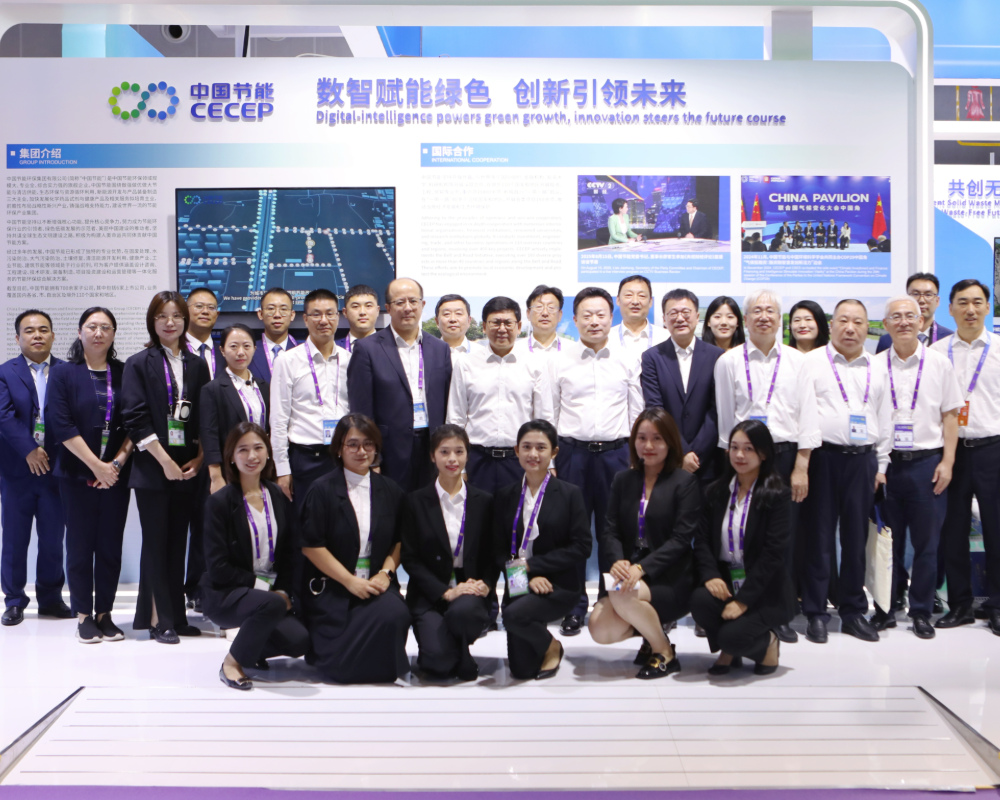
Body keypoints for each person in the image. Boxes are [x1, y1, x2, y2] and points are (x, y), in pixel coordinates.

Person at [714, 288, 812, 644]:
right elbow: (726, 421)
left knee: (781, 539)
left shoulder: (798, 361)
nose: (764, 316)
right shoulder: (728, 362)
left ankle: (778, 611)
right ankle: (746, 602)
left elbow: (808, 416)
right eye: (756, 310)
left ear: (779, 317)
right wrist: (734, 464)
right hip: (743, 459)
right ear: (746, 319)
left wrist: (801, 466)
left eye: (770, 310)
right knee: (746, 535)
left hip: (784, 456)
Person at [798, 299, 891, 645]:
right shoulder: (811, 363)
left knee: (855, 539)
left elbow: (885, 418)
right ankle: (816, 612)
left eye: (858, 322)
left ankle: (853, 611)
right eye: (843, 321)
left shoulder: (878, 367)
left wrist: (881, 465)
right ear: (831, 325)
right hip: (823, 458)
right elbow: (802, 414)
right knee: (819, 539)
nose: (850, 328)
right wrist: (803, 464)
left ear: (868, 328)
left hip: (863, 462)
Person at [552, 287, 643, 635]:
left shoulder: (628, 358)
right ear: (575, 320)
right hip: (571, 454)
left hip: (616, 455)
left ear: (611, 317)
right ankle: (573, 605)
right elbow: (549, 412)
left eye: (601, 314)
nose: (594, 321)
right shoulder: (559, 360)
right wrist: (551, 460)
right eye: (586, 315)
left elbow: (637, 412)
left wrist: (636, 457)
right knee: (572, 533)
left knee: (613, 533)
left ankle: (612, 602)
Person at [870, 297, 961, 639]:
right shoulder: (874, 366)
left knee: (927, 544)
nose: (904, 321)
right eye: (896, 317)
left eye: (911, 316)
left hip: (927, 465)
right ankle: (886, 608)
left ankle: (921, 611)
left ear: (922, 322)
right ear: (886, 325)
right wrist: (876, 465)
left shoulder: (939, 364)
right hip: (887, 466)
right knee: (887, 544)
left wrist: (948, 462)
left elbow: (950, 416)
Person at [588, 409, 702, 678]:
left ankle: (664, 652)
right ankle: (651, 637)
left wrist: (642, 568)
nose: (648, 445)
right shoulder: (623, 480)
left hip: (671, 575)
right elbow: (610, 529)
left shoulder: (684, 482)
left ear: (670, 442)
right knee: (598, 627)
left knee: (622, 593)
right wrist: (618, 560)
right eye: (642, 438)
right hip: (629, 571)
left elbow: (680, 540)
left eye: (657, 438)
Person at [123, 291, 209, 643]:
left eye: (176, 316)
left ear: (185, 321)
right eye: (162, 316)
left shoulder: (197, 365)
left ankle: (176, 614)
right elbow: (134, 417)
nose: (169, 322)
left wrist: (200, 457)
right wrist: (164, 461)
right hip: (153, 467)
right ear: (152, 321)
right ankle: (159, 619)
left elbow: (203, 415)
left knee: (178, 542)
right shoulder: (138, 363)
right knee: (156, 543)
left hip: (187, 468)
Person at [300, 414, 412, 683]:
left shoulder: (391, 490)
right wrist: (349, 581)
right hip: (334, 584)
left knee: (396, 612)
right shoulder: (321, 490)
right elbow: (311, 546)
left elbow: (400, 540)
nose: (361, 451)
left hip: (375, 582)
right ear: (339, 448)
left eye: (368, 444)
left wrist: (386, 573)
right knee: (335, 669)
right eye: (352, 444)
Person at [47, 307, 134, 643]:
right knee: (80, 545)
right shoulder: (63, 373)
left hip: (116, 476)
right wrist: (97, 466)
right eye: (92, 326)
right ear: (80, 332)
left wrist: (116, 465)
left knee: (110, 546)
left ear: (113, 334)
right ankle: (83, 614)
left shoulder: (125, 372)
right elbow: (61, 424)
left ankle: (104, 614)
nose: (99, 333)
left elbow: (135, 423)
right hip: (76, 474)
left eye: (106, 327)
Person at [202, 422, 310, 690]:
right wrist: (265, 589)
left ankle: (250, 650)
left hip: (270, 593)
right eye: (243, 450)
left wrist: (283, 590)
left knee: (300, 640)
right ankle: (231, 664)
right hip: (227, 593)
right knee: (271, 604)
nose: (252, 456)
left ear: (268, 452)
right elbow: (218, 568)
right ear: (231, 456)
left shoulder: (277, 495)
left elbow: (289, 554)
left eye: (258, 448)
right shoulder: (219, 502)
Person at [691, 420, 793, 675]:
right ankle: (729, 648)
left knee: (732, 638)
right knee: (699, 600)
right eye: (734, 447)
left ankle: (767, 642)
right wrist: (711, 575)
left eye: (748, 449)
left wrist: (744, 601)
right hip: (727, 580)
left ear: (764, 453)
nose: (739, 455)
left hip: (763, 587)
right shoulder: (716, 491)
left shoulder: (777, 495)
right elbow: (701, 540)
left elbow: (772, 555)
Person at [495, 420, 591, 680]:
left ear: (554, 452)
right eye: (526, 447)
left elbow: (582, 546)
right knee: (521, 670)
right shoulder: (505, 495)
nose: (533, 454)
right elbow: (498, 549)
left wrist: (534, 567)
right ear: (516, 451)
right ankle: (549, 643)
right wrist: (525, 576)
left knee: (513, 616)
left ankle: (551, 646)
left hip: (558, 584)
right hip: (518, 580)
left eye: (541, 447)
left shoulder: (570, 494)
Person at [931, 279, 1000, 635]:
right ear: (951, 309)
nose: (970, 309)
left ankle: (997, 604)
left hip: (993, 449)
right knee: (953, 530)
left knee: (997, 529)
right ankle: (959, 604)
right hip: (951, 453)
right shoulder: (937, 353)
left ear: (987, 307)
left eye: (977, 302)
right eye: (962, 302)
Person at [401, 424, 495, 681]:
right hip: (430, 591)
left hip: (469, 586)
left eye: (459, 451)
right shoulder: (414, 501)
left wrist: (486, 584)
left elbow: (492, 552)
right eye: (444, 452)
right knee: (438, 665)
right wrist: (444, 592)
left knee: (464, 613)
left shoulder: (484, 501)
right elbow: (410, 558)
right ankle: (444, 652)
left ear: (467, 455)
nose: (452, 459)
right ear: (432, 456)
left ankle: (461, 650)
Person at [348, 277, 452, 492]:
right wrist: (373, 457)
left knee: (428, 508)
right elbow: (361, 411)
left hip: (432, 449)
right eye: (399, 302)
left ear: (422, 304)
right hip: (389, 451)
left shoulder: (440, 348)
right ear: (387, 308)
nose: (407, 308)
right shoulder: (367, 349)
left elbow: (448, 402)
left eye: (413, 301)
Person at [0, 310, 69, 626]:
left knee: (53, 538)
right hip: (17, 472)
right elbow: (3, 416)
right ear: (18, 338)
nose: (37, 335)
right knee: (15, 539)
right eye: (29, 331)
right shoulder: (5, 372)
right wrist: (29, 449)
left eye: (43, 329)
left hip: (57, 470)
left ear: (53, 335)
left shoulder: (68, 371)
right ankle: (14, 601)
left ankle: (51, 599)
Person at [447, 297, 553, 494]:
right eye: (495, 322)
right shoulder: (466, 363)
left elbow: (544, 418)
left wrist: (548, 462)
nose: (502, 329)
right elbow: (456, 417)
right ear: (484, 327)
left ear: (519, 326)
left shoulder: (536, 364)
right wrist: (458, 465)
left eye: (508, 323)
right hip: (477, 459)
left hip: (520, 460)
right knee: (476, 514)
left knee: (517, 513)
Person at [270, 288, 349, 522]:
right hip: (305, 459)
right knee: (306, 527)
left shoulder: (350, 359)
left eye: (330, 313)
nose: (324, 320)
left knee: (340, 525)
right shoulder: (287, 360)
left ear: (338, 317)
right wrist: (282, 469)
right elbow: (279, 418)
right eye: (316, 314)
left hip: (342, 457)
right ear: (305, 319)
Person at [640, 289, 724, 482]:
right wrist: (682, 452)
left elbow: (716, 410)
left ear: (697, 316)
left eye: (686, 313)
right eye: (673, 313)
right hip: (668, 459)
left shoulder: (717, 356)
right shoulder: (652, 358)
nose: (680, 318)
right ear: (664, 319)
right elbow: (655, 408)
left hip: (708, 462)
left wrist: (696, 454)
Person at [182, 287, 223, 612]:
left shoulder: (226, 351)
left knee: (209, 523)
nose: (205, 311)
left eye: (211, 307)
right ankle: (175, 590)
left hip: (216, 453)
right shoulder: (170, 349)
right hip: (178, 452)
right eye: (198, 306)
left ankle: (201, 585)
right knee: (178, 525)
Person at [201, 324, 270, 496]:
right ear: (222, 351)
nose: (241, 352)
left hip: (262, 467)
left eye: (246, 346)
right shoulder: (213, 389)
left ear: (254, 349)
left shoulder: (264, 387)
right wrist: (216, 476)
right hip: (230, 470)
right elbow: (209, 435)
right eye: (233, 346)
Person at [876, 273, 953, 354]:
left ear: (937, 301)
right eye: (915, 294)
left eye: (928, 294)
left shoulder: (949, 338)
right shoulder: (886, 340)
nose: (922, 300)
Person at [608, 275, 670, 364]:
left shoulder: (666, 337)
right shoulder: (606, 338)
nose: (635, 301)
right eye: (628, 295)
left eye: (642, 296)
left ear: (650, 301)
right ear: (618, 300)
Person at [249, 287, 298, 384]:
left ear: (292, 315)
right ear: (260, 314)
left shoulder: (304, 352)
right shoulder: (248, 352)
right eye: (271, 309)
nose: (277, 315)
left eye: (283, 309)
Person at [515, 285, 565, 357]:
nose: (545, 313)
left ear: (560, 315)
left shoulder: (572, 350)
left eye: (551, 307)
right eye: (539, 307)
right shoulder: (515, 350)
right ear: (528, 314)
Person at [336, 284, 379, 353]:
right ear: (345, 312)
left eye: (368, 306)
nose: (362, 312)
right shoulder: (334, 349)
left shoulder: (392, 347)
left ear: (377, 310)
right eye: (355, 306)